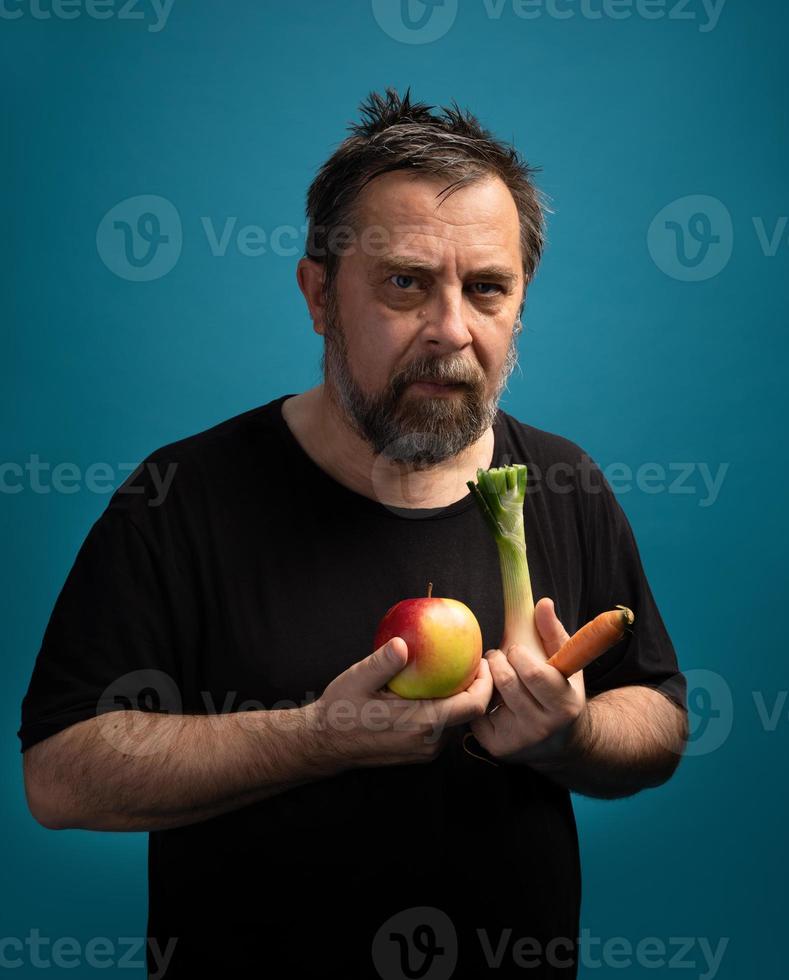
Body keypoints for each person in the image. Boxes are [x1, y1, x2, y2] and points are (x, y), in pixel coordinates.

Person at [18, 87, 688, 978]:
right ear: (319, 294)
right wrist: (316, 738)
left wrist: (573, 738)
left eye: (486, 289)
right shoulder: (178, 497)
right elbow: (60, 774)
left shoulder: (560, 481)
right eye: (405, 283)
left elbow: (656, 712)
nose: (451, 331)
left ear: (519, 306)